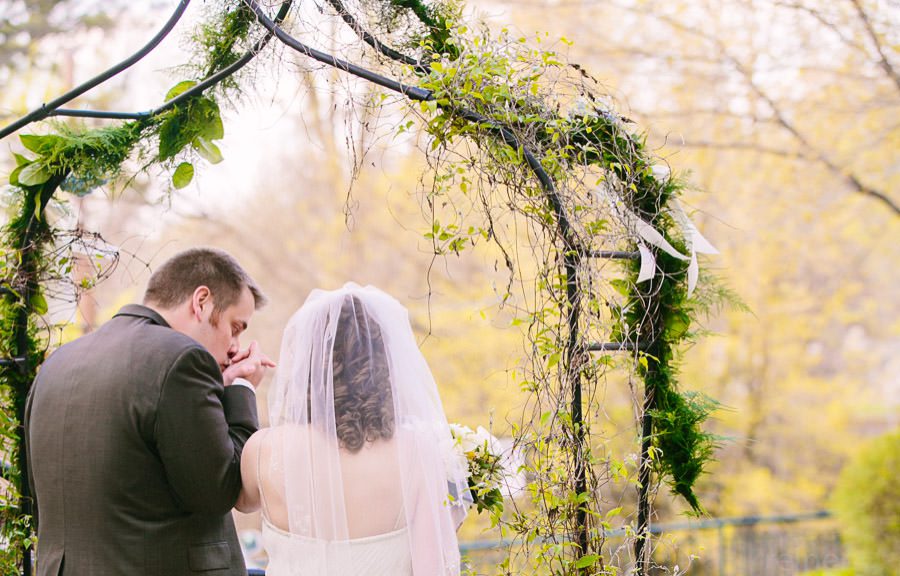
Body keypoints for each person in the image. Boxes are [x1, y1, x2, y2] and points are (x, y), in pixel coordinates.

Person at [25, 247, 275, 576]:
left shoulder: (57, 365)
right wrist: (243, 390)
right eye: (236, 326)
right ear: (201, 302)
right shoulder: (182, 359)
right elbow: (220, 489)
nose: (235, 346)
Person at [236, 283, 469, 575]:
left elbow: (235, 501)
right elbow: (433, 567)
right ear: (383, 363)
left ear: (306, 365)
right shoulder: (417, 450)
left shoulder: (261, 451)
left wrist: (236, 389)